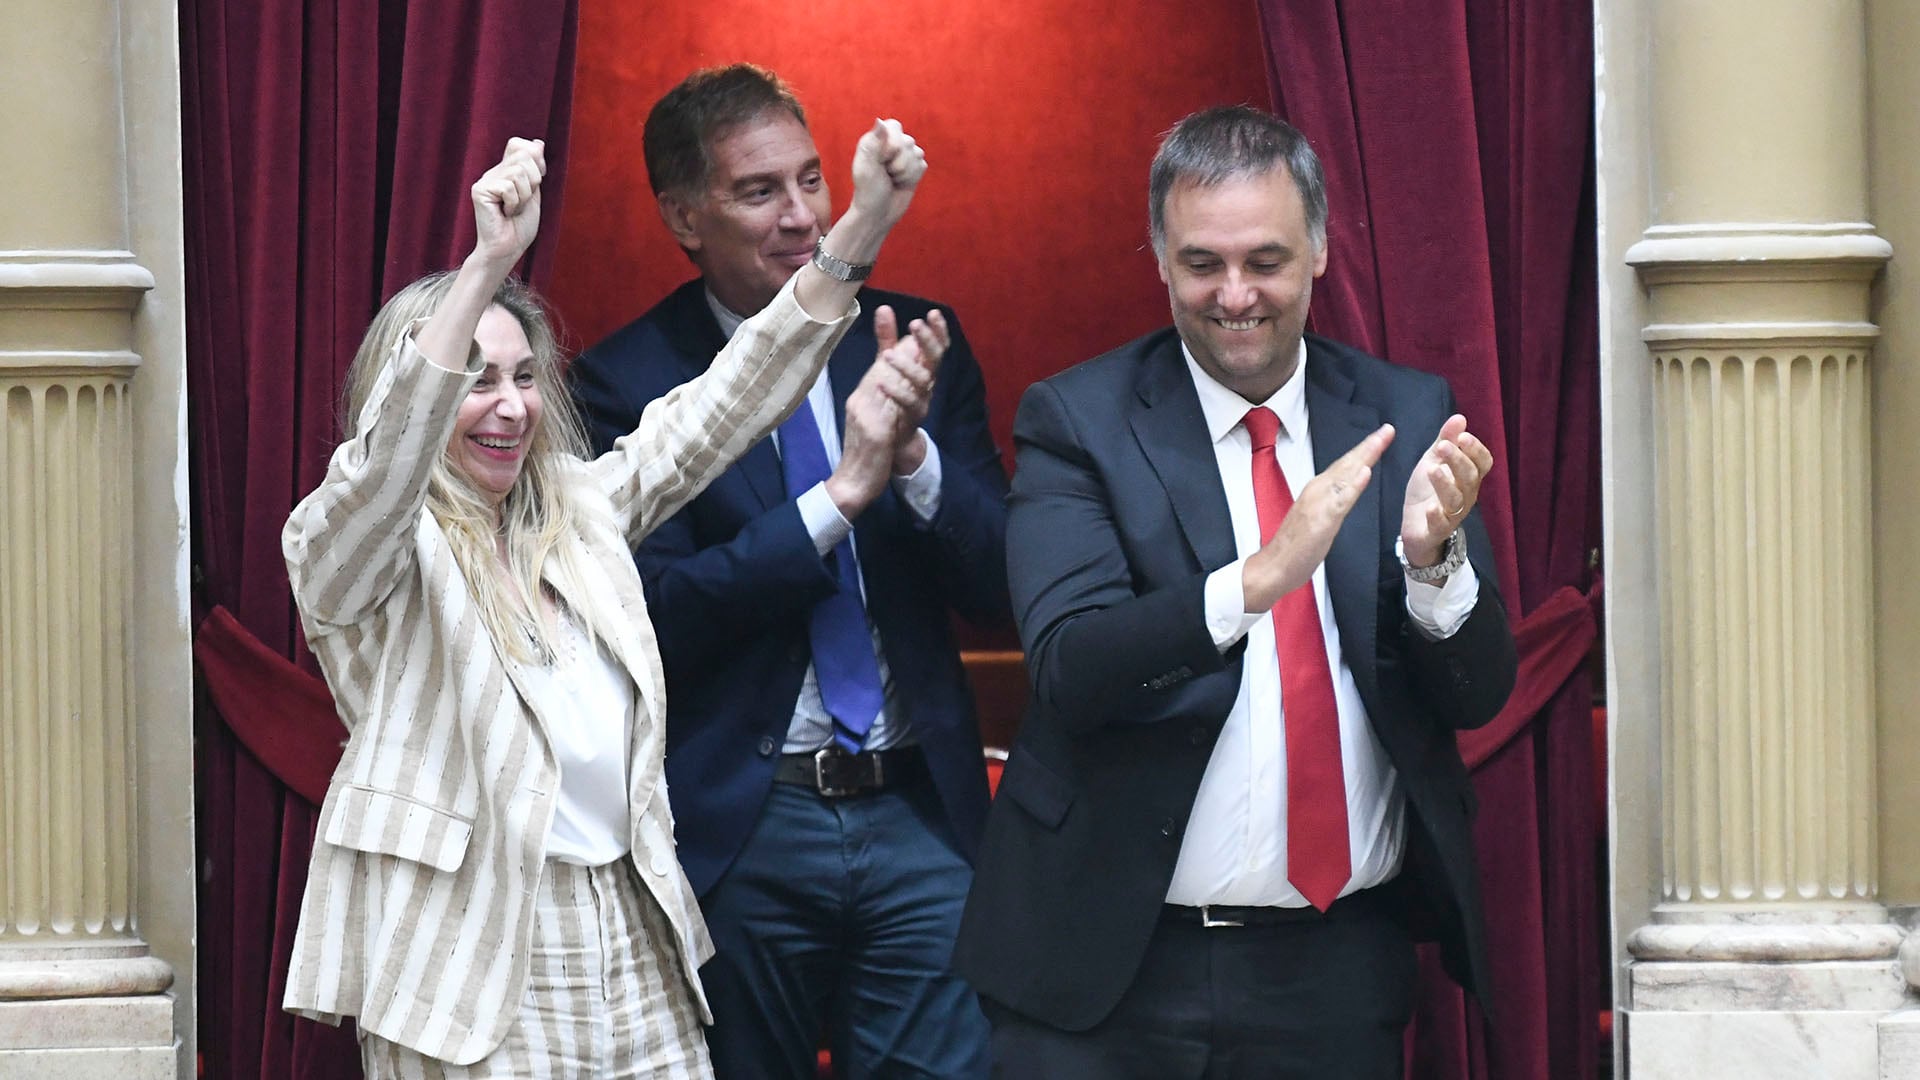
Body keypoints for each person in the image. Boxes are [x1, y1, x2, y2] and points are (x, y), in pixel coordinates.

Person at [280, 121, 939, 1079]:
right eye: (471, 382)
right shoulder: (361, 550)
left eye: (519, 379)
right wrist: (486, 265)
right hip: (477, 952)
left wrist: (864, 226)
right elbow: (384, 470)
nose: (507, 406)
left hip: (632, 929)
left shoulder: (577, 513)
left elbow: (732, 396)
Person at [953, 105, 1520, 1079]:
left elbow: (1476, 694)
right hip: (1112, 964)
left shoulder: (1402, 413)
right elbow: (1070, 667)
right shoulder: (1078, 420)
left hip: (1337, 964)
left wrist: (1434, 564)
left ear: (1322, 251)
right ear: (1161, 261)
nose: (1236, 294)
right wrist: (1256, 581)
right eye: (1202, 263)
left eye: (1266, 260)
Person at [568, 64, 1005, 1080]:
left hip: (918, 814)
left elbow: (1005, 583)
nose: (803, 215)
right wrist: (835, 502)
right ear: (684, 215)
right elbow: (655, 614)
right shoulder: (627, 382)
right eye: (759, 191)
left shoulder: (909, 342)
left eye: (812, 180)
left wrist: (913, 465)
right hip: (744, 825)